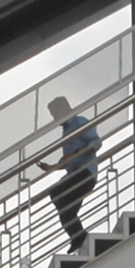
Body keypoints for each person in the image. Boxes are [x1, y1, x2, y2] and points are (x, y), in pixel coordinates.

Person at [38, 97, 99, 250]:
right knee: (65, 210)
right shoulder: (66, 131)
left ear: (63, 110)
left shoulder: (79, 122)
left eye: (55, 114)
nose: (55, 118)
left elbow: (96, 143)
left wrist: (76, 154)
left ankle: (80, 236)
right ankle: (78, 238)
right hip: (75, 173)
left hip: (85, 173)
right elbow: (68, 161)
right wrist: (51, 167)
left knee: (57, 194)